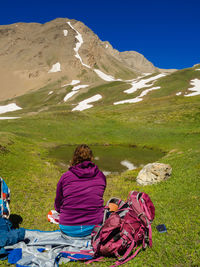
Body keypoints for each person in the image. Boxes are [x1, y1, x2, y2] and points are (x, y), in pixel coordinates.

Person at [54, 144, 106, 237]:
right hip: (94, 227)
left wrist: (61, 211)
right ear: (91, 158)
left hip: (68, 227)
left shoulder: (66, 176)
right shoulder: (100, 176)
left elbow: (58, 203)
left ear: (74, 158)